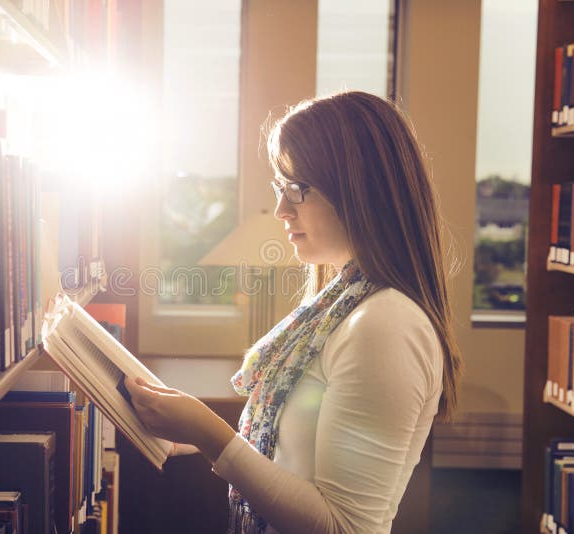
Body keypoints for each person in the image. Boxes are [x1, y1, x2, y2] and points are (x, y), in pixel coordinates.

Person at [124, 91, 462, 534]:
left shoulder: (386, 325)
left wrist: (210, 435)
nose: (282, 210)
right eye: (279, 189)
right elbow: (296, 451)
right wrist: (186, 435)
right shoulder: (344, 302)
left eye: (297, 190)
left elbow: (343, 527)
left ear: (359, 192)